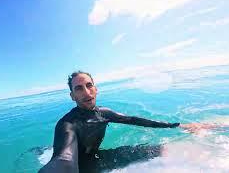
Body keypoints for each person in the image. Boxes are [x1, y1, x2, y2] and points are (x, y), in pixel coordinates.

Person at [39, 71, 216, 173]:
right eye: (79, 88)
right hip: (82, 168)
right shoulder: (67, 124)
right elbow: (64, 158)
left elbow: (134, 120)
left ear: (96, 89)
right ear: (72, 96)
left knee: (153, 150)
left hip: (99, 158)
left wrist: (177, 126)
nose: (86, 92)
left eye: (89, 85)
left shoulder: (104, 113)